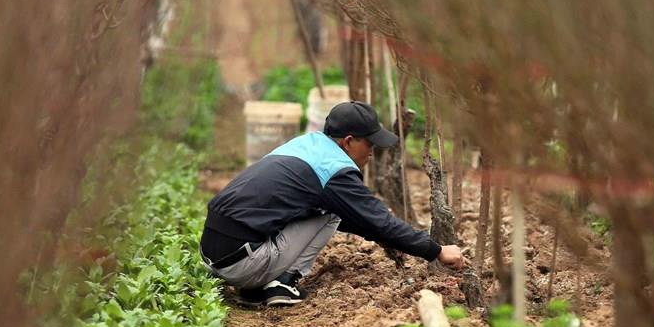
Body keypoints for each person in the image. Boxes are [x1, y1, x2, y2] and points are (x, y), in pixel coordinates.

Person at [200, 100, 466, 306]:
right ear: (348, 142)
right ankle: (281, 283)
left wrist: (380, 236)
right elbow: (377, 220)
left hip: (217, 253)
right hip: (241, 264)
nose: (372, 152)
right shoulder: (333, 170)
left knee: (328, 210)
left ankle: (257, 285)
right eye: (370, 144)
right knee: (331, 214)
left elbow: (363, 221)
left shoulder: (307, 146)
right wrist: (436, 250)